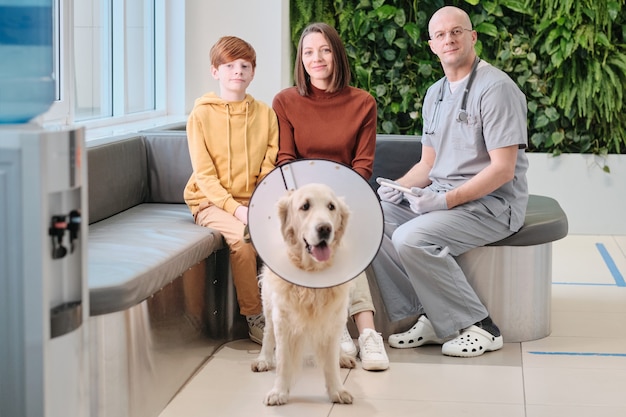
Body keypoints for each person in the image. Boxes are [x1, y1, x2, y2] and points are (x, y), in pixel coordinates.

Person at [373, 6, 529, 357]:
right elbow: (428, 163)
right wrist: (398, 188)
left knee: (411, 237)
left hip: (493, 204)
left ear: (472, 37)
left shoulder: (496, 89)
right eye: (441, 35)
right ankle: (433, 314)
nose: (449, 40)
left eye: (457, 31)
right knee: (374, 218)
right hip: (445, 197)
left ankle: (482, 326)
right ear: (432, 46)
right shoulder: (435, 93)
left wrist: (442, 202)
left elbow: (503, 169)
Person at [272, 22, 389, 371]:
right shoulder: (286, 101)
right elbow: (285, 161)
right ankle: (339, 330)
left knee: (344, 241)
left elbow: (363, 166)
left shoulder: (363, 103)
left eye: (324, 50)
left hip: (345, 200)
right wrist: (308, 205)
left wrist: (334, 206)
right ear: (301, 59)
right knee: (325, 240)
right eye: (308, 52)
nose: (316, 58)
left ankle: (366, 334)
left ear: (336, 54)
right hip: (304, 204)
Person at [184, 36, 278, 345]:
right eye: (229, 65)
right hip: (210, 202)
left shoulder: (266, 114)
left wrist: (258, 203)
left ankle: (291, 314)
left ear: (252, 72)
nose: (237, 71)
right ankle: (254, 316)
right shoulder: (200, 115)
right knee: (243, 238)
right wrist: (237, 209)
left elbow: (269, 164)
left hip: (254, 199)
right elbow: (205, 175)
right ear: (215, 72)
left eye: (244, 65)